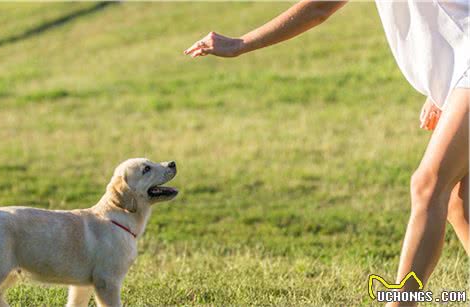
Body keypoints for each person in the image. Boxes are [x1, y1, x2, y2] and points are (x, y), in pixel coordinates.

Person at [184, 1, 469, 306]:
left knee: (428, 184)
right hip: (460, 75)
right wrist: (444, 90)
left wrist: (240, 43)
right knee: (458, 203)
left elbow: (318, 9)